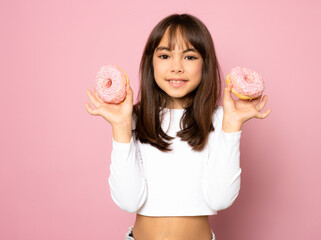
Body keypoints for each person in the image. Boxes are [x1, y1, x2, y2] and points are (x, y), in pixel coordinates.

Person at [85, 13, 271, 240]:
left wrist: (231, 126)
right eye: (164, 55)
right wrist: (121, 127)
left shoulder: (222, 118)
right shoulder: (131, 118)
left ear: (205, 64)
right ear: (150, 62)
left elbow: (220, 199)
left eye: (190, 57)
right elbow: (128, 201)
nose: (176, 67)